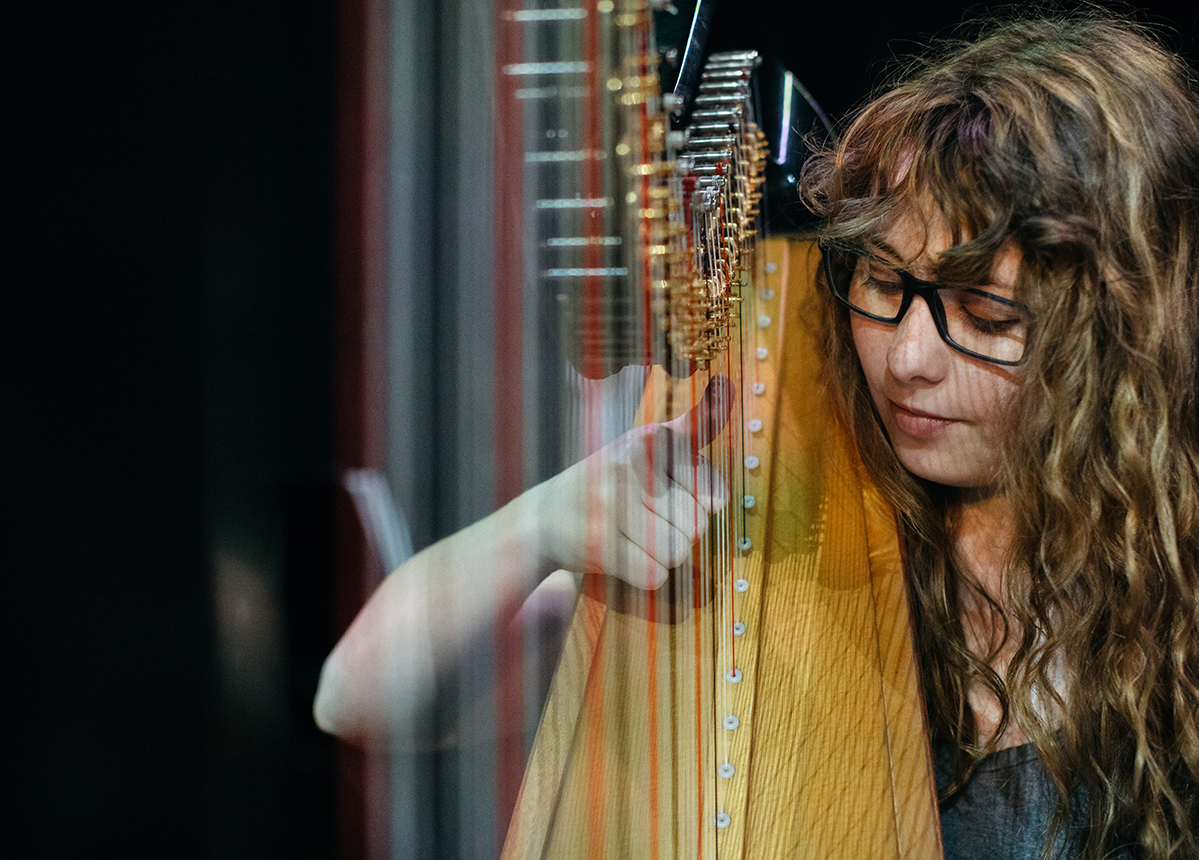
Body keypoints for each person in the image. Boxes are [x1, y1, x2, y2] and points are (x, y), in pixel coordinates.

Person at [316, 10, 1199, 859]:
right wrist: (545, 523)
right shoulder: (767, 531)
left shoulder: (1173, 602)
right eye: (885, 286)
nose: (907, 358)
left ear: (1120, 333)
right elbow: (354, 697)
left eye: (985, 312)